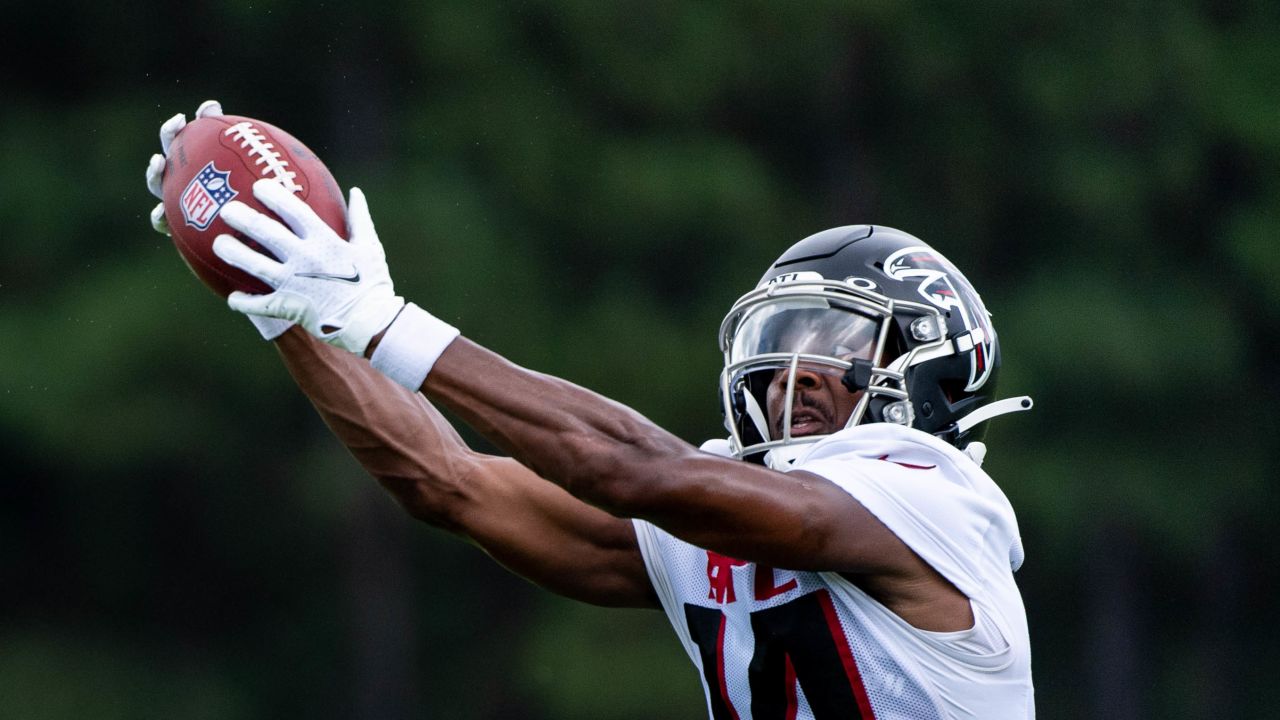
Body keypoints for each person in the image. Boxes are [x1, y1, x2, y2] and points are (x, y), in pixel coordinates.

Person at [146, 101, 1037, 718]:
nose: (790, 373)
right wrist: (292, 310)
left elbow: (632, 471)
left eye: (835, 343)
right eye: (778, 340)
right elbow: (446, 481)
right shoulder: (724, 506)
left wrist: (384, 322)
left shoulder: (937, 500)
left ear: (931, 370)